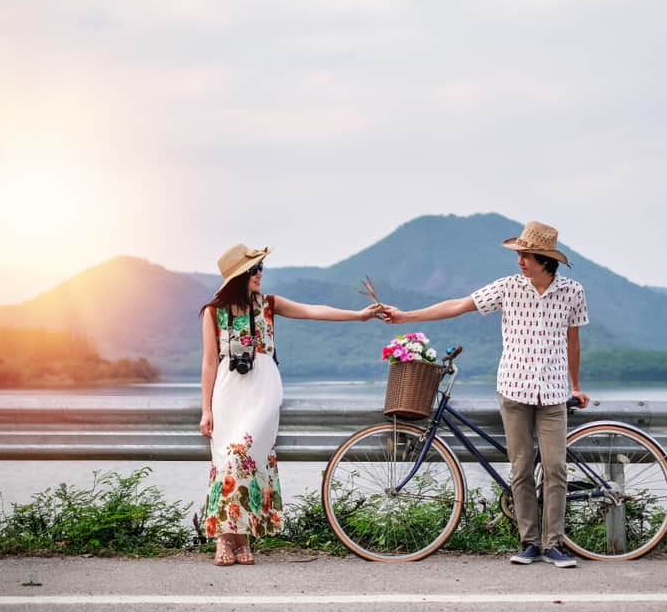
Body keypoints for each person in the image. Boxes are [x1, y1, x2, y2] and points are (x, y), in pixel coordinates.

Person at [381, 221, 590, 568]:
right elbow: (458, 305)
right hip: (514, 389)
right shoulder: (508, 288)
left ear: (544, 259)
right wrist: (406, 317)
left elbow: (573, 341)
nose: (520, 261)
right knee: (521, 468)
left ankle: (554, 543)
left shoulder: (573, 292)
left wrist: (576, 385)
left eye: (526, 255)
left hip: (553, 392)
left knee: (556, 469)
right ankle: (529, 542)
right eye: (520, 254)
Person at [199, 242, 383, 566]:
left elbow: (313, 310)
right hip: (228, 393)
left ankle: (236, 537)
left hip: (262, 390)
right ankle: (231, 540)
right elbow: (209, 363)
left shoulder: (268, 305)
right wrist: (206, 409)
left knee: (245, 456)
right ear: (238, 276)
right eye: (253, 270)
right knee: (228, 464)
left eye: (260, 269)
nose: (259, 274)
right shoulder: (213, 312)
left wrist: (358, 316)